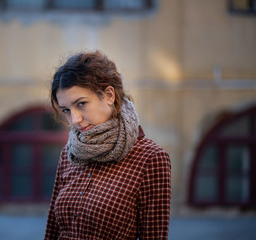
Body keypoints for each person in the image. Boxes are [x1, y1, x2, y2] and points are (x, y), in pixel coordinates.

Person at [45, 50, 171, 240]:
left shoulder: (150, 158)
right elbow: (53, 231)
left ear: (109, 95)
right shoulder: (70, 153)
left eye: (81, 104)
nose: (75, 120)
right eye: (66, 110)